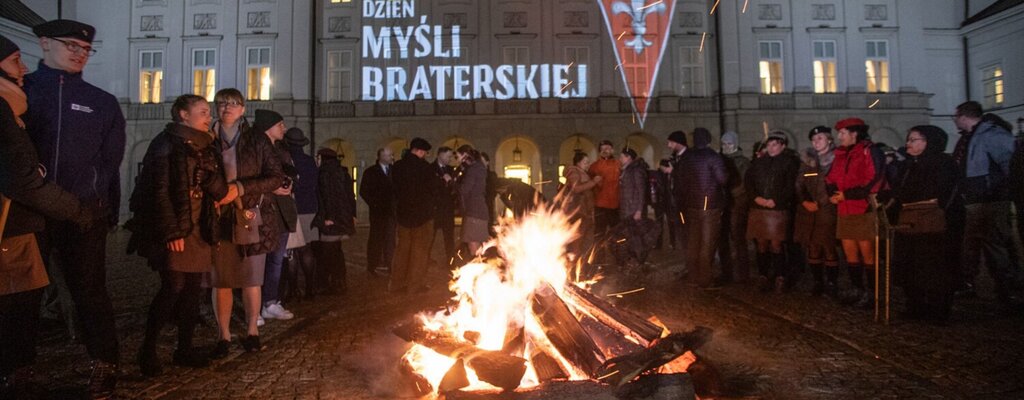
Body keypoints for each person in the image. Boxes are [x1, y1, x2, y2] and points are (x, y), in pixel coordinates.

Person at [23, 19, 126, 397]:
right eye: (71, 45)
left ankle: (106, 360)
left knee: (90, 291)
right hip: (28, 212)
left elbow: (109, 161)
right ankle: (18, 366)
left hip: (82, 213)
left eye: (85, 49)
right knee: (23, 294)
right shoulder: (23, 92)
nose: (79, 53)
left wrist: (97, 205)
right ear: (44, 43)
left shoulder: (102, 102)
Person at [0, 36, 94, 398]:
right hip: (12, 230)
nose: (22, 67)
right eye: (13, 60)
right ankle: (14, 379)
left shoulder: (14, 109)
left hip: (18, 225)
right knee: (16, 308)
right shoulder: (4, 111)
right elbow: (24, 180)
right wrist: (76, 209)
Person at [129, 95, 237, 376]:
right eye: (202, 111)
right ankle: (148, 349)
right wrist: (170, 230)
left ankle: (184, 348)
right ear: (182, 115)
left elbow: (218, 188)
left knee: (194, 290)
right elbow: (159, 191)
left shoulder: (206, 147)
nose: (207, 116)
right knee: (172, 288)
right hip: (177, 232)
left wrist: (213, 179)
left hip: (199, 230)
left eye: (207, 112)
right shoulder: (166, 144)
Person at [208, 90, 284, 357]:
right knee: (221, 280)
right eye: (221, 103)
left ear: (243, 109)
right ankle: (223, 335)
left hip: (251, 216)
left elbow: (275, 177)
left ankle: (252, 330)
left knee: (252, 279)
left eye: (232, 103)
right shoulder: (207, 139)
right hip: (217, 218)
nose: (226, 107)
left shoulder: (257, 140)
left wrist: (240, 187)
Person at [952, 101, 1023, 309]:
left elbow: (1010, 165)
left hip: (990, 199)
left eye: (956, 116)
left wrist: (1000, 191)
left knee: (994, 245)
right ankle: (969, 284)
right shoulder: (969, 137)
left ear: (964, 116)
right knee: (970, 245)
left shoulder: (991, 135)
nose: (955, 120)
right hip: (973, 199)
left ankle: (1005, 288)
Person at [890, 126, 959, 323]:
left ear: (928, 142)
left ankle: (938, 309)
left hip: (934, 225)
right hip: (910, 222)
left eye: (913, 140)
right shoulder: (909, 165)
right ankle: (915, 306)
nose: (908, 144)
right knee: (910, 266)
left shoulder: (943, 163)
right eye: (908, 139)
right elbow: (899, 190)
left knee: (934, 268)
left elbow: (943, 191)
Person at [827, 118, 886, 308]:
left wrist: (847, 194)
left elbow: (873, 179)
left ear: (855, 133)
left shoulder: (869, 151)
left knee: (867, 253)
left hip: (862, 208)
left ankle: (873, 293)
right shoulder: (841, 154)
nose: (839, 136)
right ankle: (857, 288)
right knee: (850, 252)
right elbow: (831, 178)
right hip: (844, 208)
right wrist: (833, 193)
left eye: (843, 133)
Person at [746, 133, 799, 293]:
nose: (771, 147)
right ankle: (763, 276)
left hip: (777, 209)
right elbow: (748, 182)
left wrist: (776, 200)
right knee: (761, 243)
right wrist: (756, 198)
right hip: (759, 208)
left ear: (783, 146)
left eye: (775, 144)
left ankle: (780, 276)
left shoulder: (789, 163)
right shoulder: (758, 163)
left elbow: (790, 186)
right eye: (769, 145)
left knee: (776, 244)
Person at [675, 128, 728, 288]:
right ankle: (705, 279)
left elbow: (680, 180)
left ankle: (692, 276)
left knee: (693, 241)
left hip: (691, 204)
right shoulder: (713, 156)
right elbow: (722, 179)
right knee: (707, 242)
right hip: (710, 205)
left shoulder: (687, 157)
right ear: (708, 140)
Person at [794, 126, 840, 297]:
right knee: (812, 246)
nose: (816, 142)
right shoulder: (807, 161)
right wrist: (805, 201)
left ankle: (832, 282)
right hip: (809, 209)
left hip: (828, 209)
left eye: (820, 138)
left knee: (828, 245)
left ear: (829, 140)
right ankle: (818, 281)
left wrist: (822, 202)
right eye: (814, 139)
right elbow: (799, 183)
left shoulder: (837, 159)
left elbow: (837, 184)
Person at [391, 138, 441, 294]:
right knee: (419, 252)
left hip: (403, 215)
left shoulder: (398, 166)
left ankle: (397, 284)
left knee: (402, 251)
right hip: (422, 217)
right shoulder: (425, 168)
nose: (425, 155)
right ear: (419, 151)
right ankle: (414, 285)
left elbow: (394, 189)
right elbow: (433, 190)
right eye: (424, 152)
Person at [261, 112, 298, 322]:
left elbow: (291, 172)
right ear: (269, 126)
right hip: (266, 210)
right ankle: (258, 305)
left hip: (283, 211)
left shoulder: (282, 150)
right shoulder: (258, 147)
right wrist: (272, 187)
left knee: (276, 261)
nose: (284, 129)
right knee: (261, 261)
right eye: (280, 125)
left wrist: (290, 181)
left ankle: (270, 301)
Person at [280, 128, 319, 301]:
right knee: (307, 249)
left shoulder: (286, 160)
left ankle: (293, 289)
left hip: (292, 208)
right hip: (309, 208)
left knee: (291, 252)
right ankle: (310, 287)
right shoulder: (309, 161)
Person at [311, 147, 356, 294]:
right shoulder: (342, 172)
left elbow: (328, 197)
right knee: (337, 251)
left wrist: (327, 218)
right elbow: (350, 195)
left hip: (332, 220)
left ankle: (325, 284)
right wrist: (351, 215)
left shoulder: (325, 173)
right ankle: (340, 282)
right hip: (342, 219)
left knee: (327, 253)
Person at [719, 131, 751, 283]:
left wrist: (731, 196)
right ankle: (727, 272)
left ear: (735, 144)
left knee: (738, 239)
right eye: (724, 144)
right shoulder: (719, 160)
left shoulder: (743, 162)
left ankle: (742, 273)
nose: (726, 147)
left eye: (729, 144)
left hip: (737, 204)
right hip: (723, 204)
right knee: (724, 239)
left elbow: (745, 184)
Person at [360, 147, 396, 277]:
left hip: (391, 211)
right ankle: (372, 265)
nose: (390, 158)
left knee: (390, 239)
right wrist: (374, 203)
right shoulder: (371, 172)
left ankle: (390, 264)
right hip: (378, 212)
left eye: (391, 155)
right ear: (380, 156)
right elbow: (363, 191)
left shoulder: (394, 171)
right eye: (388, 155)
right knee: (376, 239)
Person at [562, 151, 601, 258]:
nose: (588, 164)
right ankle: (575, 264)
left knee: (585, 239)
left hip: (585, 212)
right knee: (577, 240)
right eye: (585, 162)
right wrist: (593, 182)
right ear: (578, 163)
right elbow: (576, 188)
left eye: (588, 162)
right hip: (578, 212)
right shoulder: (573, 172)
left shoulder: (582, 172)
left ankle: (582, 263)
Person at [617, 147, 651, 266]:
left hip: (633, 209)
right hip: (627, 208)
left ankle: (639, 260)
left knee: (636, 236)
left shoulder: (636, 170)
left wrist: (639, 210)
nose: (620, 159)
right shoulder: (626, 169)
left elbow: (641, 190)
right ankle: (633, 259)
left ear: (628, 157)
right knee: (630, 235)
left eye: (622, 156)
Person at [456, 145, 489, 256]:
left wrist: (452, 182)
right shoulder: (478, 167)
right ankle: (480, 268)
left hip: (474, 211)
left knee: (473, 246)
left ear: (465, 155)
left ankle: (478, 269)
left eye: (458, 156)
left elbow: (464, 189)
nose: (457, 159)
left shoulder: (474, 169)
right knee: (476, 245)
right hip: (478, 210)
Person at [431, 146, 457, 267]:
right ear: (440, 155)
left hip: (447, 209)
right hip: (435, 209)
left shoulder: (451, 170)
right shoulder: (430, 169)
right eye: (448, 156)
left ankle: (451, 260)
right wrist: (442, 180)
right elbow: (430, 187)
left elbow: (454, 189)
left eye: (450, 156)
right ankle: (426, 259)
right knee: (430, 238)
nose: (450, 159)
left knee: (449, 238)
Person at [590, 140, 621, 237]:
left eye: (607, 148)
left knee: (617, 232)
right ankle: (599, 252)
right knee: (599, 233)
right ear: (599, 151)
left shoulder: (619, 164)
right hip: (600, 205)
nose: (605, 151)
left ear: (612, 150)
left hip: (615, 205)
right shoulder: (594, 166)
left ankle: (617, 251)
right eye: (602, 149)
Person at [653, 159, 682, 251]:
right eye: (665, 168)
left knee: (671, 223)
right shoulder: (656, 175)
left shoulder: (672, 174)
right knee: (659, 224)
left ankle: (672, 243)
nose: (666, 169)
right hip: (660, 203)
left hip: (669, 203)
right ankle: (659, 244)